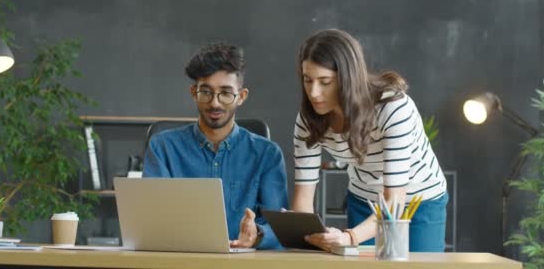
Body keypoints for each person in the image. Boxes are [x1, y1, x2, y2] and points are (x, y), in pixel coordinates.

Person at [292, 28, 448, 252]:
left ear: (348, 78)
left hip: (419, 200)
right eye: (308, 80)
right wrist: (307, 237)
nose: (314, 93)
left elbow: (394, 201)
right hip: (363, 197)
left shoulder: (393, 107)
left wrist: (350, 237)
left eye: (325, 82)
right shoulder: (308, 120)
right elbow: (303, 202)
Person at [143, 42, 288, 250]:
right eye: (206, 92)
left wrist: (257, 235)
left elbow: (279, 227)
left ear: (242, 97)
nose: (215, 103)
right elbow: (150, 217)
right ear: (194, 92)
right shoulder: (163, 147)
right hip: (180, 261)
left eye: (226, 93)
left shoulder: (267, 154)